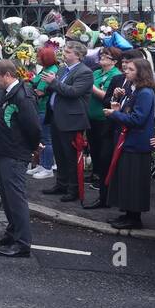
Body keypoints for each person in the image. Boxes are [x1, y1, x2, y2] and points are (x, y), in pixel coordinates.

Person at [0, 60, 41, 257]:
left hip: (14, 153)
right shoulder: (11, 93)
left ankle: (22, 242)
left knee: (15, 199)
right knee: (8, 198)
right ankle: (12, 233)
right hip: (5, 151)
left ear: (8, 75)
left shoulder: (22, 96)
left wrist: (33, 148)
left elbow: (33, 127)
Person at [105, 58, 155, 230]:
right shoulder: (133, 89)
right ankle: (128, 213)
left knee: (134, 181)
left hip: (137, 144)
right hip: (128, 141)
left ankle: (134, 217)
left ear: (141, 72)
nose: (126, 71)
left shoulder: (145, 93)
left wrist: (114, 114)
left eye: (131, 69)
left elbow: (138, 119)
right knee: (127, 180)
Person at [43, 40, 92, 202]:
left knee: (70, 156)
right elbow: (56, 88)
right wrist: (49, 84)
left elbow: (73, 92)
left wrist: (54, 82)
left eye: (68, 52)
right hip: (57, 117)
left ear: (78, 55)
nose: (64, 54)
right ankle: (61, 184)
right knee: (60, 154)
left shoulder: (84, 72)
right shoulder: (63, 68)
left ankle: (73, 189)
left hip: (71, 120)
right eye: (64, 51)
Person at [83, 47, 125, 209]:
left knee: (103, 150)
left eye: (106, 56)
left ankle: (102, 177)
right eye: (101, 55)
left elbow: (105, 96)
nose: (101, 58)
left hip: (103, 117)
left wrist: (91, 87)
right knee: (93, 147)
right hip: (91, 116)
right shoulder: (96, 73)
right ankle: (95, 174)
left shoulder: (115, 75)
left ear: (114, 61)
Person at [26, 46, 59, 180]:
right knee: (41, 138)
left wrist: (29, 89)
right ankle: (41, 164)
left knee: (46, 139)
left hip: (44, 109)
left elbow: (40, 91)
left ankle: (47, 167)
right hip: (40, 107)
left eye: (39, 56)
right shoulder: (46, 69)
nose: (36, 58)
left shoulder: (51, 71)